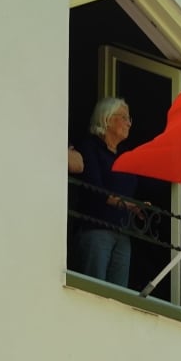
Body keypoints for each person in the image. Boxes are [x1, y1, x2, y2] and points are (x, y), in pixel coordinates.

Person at [72, 97, 140, 287]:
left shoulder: (126, 157)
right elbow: (95, 189)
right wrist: (127, 204)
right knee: (94, 290)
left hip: (121, 231)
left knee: (119, 295)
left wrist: (138, 207)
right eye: (124, 117)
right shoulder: (90, 147)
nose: (128, 123)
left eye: (129, 119)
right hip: (95, 229)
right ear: (106, 119)